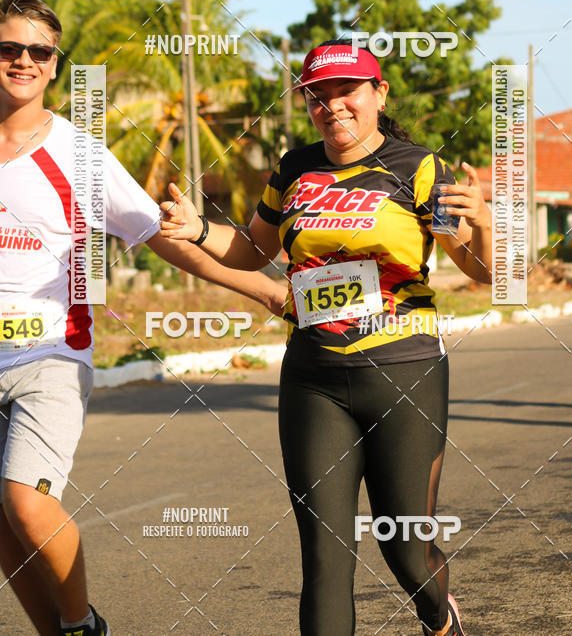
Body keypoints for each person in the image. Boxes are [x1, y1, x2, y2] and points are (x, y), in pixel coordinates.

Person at [160, 39, 493, 636]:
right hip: (313, 376)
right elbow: (252, 249)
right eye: (318, 95)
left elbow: (479, 269)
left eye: (348, 92)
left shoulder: (421, 169)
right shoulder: (294, 167)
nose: (332, 106)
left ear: (378, 94)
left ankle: (440, 616)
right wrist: (197, 228)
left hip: (405, 372)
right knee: (324, 559)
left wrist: (487, 226)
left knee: (407, 550)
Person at [0, 0, 287, 636]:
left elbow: (161, 235)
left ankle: (82, 625)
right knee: (3, 527)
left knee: (25, 501)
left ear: (53, 64)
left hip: (49, 353)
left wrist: (266, 288)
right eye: (8, 48)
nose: (22, 60)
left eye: (37, 51)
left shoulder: (77, 155)